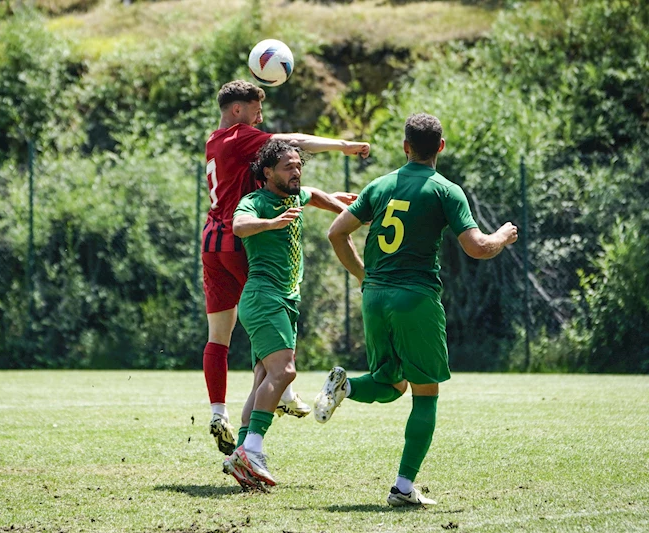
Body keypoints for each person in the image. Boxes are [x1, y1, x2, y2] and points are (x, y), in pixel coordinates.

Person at [315, 113, 518, 506]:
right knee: (425, 394)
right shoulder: (445, 190)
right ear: (440, 146)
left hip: (375, 297)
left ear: (405, 146)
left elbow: (336, 232)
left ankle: (347, 386)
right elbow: (477, 247)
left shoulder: (379, 185)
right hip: (415, 298)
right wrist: (502, 237)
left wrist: (364, 276)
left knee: (392, 384)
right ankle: (404, 488)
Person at [203, 80, 370, 456]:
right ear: (236, 111)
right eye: (255, 109)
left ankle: (219, 412)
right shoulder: (239, 137)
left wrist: (340, 203)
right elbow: (294, 142)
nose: (260, 118)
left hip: (210, 241)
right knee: (270, 317)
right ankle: (282, 394)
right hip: (238, 240)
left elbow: (308, 192)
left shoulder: (213, 140)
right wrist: (343, 146)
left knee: (218, 338)